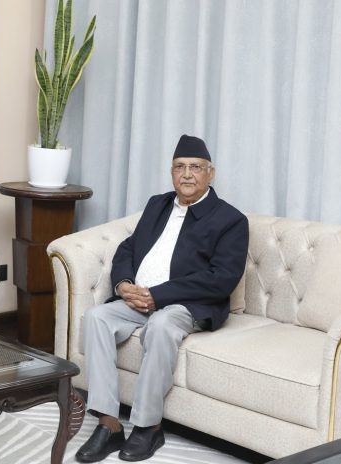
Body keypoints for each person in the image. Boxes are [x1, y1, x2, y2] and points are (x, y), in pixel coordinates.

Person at [75, 135, 249, 463]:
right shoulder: (158, 204)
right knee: (97, 317)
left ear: (210, 173)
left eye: (195, 167)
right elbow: (128, 248)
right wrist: (124, 284)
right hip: (139, 298)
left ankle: (148, 426)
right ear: (172, 173)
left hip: (186, 304)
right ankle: (109, 424)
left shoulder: (230, 220)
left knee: (161, 324)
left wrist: (158, 295)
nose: (187, 174)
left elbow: (222, 279)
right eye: (180, 167)